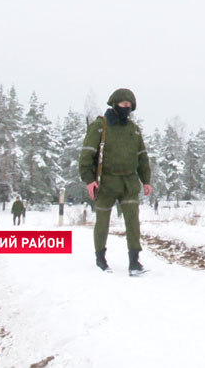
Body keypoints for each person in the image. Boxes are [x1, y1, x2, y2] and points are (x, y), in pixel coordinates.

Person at [79, 88, 152, 275]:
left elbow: (142, 157)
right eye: (123, 105)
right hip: (106, 183)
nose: (126, 108)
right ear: (114, 104)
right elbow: (87, 154)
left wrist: (146, 180)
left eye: (129, 106)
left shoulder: (134, 130)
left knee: (133, 222)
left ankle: (135, 262)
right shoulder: (100, 126)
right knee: (103, 221)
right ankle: (100, 259)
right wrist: (89, 180)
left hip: (129, 182)